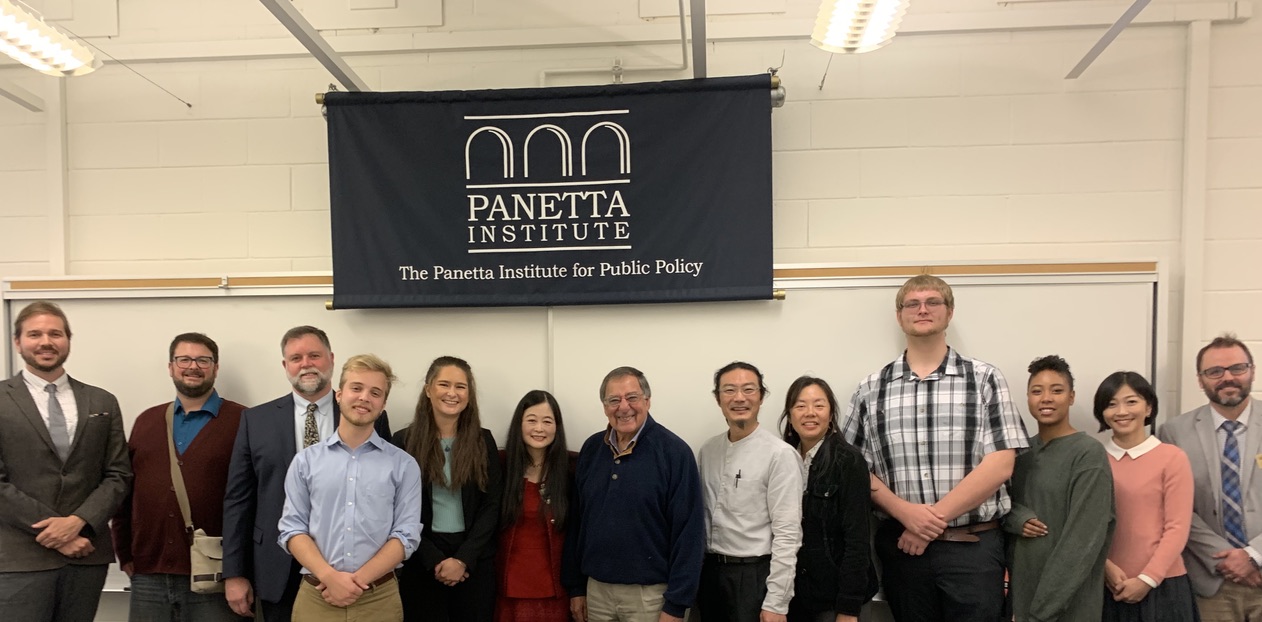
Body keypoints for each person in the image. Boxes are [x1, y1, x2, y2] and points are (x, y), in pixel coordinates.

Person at [840, 274, 1029, 622]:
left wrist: (927, 522)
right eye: (912, 303)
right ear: (899, 316)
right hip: (903, 550)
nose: (922, 309)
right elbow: (854, 471)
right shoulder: (871, 389)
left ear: (949, 312)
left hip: (973, 550)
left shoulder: (985, 378)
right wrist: (905, 514)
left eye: (932, 302)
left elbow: (1001, 464)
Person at [222, 326, 391, 620]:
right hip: (277, 565)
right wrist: (234, 573)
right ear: (285, 365)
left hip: (348, 569)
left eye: (314, 355)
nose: (306, 364)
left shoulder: (367, 413)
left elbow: (380, 493)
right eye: (296, 358)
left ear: (331, 359)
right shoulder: (255, 420)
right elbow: (238, 500)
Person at [0, 300, 132, 622]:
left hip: (86, 554)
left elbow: (118, 474)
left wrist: (78, 523)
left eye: (55, 334)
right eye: (35, 334)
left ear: (68, 340)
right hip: (19, 558)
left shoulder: (101, 400)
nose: (46, 342)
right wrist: (59, 532)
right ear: (17, 342)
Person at [111, 333, 248, 621]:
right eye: (184, 359)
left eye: (203, 360)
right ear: (171, 367)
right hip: (148, 574)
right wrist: (125, 554)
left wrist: (241, 570)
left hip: (216, 575)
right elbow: (125, 492)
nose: (193, 366)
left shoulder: (243, 421)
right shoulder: (146, 421)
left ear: (215, 368)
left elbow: (252, 500)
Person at [279, 354, 422, 621]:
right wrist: (330, 577)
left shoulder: (403, 465)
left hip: (379, 599)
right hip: (317, 596)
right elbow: (292, 529)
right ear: (339, 394)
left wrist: (356, 582)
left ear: (383, 404)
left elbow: (406, 535)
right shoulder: (305, 461)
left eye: (375, 393)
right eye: (356, 388)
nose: (364, 397)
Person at [563, 365, 705, 622]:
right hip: (596, 593)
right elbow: (578, 523)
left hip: (651, 598)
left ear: (647, 401)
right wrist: (576, 588)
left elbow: (689, 533)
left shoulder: (674, 453)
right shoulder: (592, 450)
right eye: (614, 400)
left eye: (632, 397)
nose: (623, 407)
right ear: (604, 407)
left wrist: (676, 605)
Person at [1003, 355, 1114, 622]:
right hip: (1022, 593)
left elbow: (1082, 541)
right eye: (1037, 391)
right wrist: (1017, 518)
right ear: (1027, 398)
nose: (1046, 399)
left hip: (1069, 602)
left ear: (1071, 397)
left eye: (1057, 390)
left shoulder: (1088, 454)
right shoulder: (1020, 453)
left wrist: (1042, 612)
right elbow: (997, 504)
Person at [391, 355, 502, 622]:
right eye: (444, 384)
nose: (452, 393)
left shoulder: (483, 440)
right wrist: (434, 560)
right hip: (422, 559)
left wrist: (463, 560)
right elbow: (397, 509)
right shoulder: (403, 441)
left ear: (469, 395)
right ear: (428, 390)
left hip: (473, 561)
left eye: (461, 386)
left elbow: (492, 505)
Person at [1158, 334, 1260, 620]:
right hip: (1212, 581)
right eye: (1215, 371)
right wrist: (1228, 559)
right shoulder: (1174, 432)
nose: (1227, 377)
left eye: (1237, 368)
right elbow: (1176, 509)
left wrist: (1254, 555)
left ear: (1252, 371)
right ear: (1200, 380)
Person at [697, 362, 802, 622]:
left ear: (761, 396)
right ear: (718, 399)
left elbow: (788, 534)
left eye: (748, 389)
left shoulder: (780, 454)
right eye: (729, 390)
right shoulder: (708, 450)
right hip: (710, 573)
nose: (739, 398)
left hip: (754, 577)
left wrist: (777, 602)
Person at [1096, 371, 1199, 621]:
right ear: (1102, 413)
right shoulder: (1093, 459)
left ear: (1149, 408)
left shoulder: (1172, 458)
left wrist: (1147, 579)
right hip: (1106, 584)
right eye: (1111, 404)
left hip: (1162, 585)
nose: (1121, 411)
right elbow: (1085, 526)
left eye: (1131, 401)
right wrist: (1105, 566)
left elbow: (1177, 528)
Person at [779, 376, 876, 622]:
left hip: (837, 599)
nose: (810, 413)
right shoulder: (781, 459)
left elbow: (858, 540)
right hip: (796, 597)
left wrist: (848, 608)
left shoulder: (848, 461)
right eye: (800, 406)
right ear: (790, 416)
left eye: (819, 405)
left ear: (831, 414)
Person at [496, 390, 572, 622]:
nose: (539, 428)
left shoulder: (572, 469)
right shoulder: (500, 466)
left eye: (547, 421)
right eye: (531, 420)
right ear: (519, 424)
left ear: (557, 427)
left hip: (556, 590)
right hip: (508, 587)